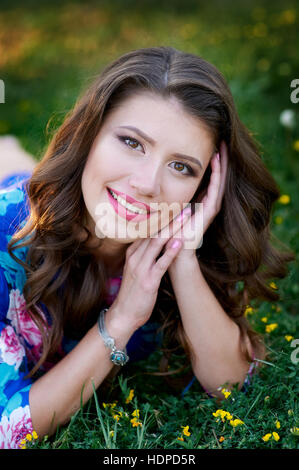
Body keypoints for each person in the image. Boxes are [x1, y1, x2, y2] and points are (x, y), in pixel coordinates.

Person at [0, 46, 294, 449]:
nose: (148, 183)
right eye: (131, 142)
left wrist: (183, 256)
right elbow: (8, 427)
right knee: (21, 175)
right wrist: (120, 321)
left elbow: (233, 383)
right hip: (28, 203)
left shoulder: (182, 234)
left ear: (204, 186)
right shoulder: (7, 238)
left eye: (181, 166)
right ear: (89, 134)